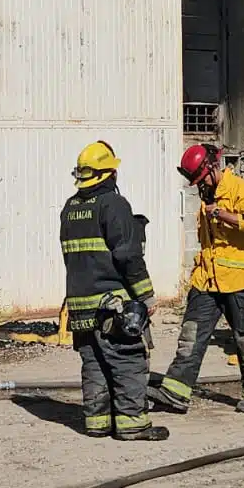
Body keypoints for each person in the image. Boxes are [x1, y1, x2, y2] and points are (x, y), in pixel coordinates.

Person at [149, 143, 244, 415]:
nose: (198, 186)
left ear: (213, 168)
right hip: (208, 281)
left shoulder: (242, 191)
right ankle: (175, 392)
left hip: (240, 282)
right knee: (191, 335)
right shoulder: (207, 198)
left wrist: (221, 213)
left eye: (200, 179)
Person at [60, 141, 168, 442]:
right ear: (108, 175)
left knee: (94, 362)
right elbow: (127, 256)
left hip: (80, 306)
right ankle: (133, 424)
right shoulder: (113, 204)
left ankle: (97, 423)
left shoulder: (70, 208)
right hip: (111, 305)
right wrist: (145, 295)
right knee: (127, 359)